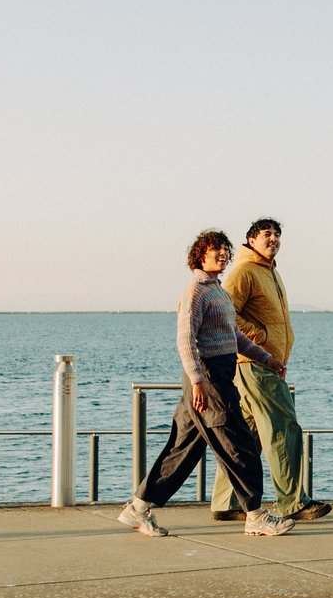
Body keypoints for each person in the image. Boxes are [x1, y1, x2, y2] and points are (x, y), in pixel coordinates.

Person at [119, 230, 292, 538]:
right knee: (240, 446)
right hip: (208, 379)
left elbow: (233, 337)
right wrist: (198, 382)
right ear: (201, 255)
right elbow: (185, 340)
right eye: (217, 251)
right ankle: (255, 515)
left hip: (217, 374)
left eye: (226, 250)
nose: (223, 254)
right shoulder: (196, 291)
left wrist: (266, 358)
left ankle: (138, 506)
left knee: (181, 449)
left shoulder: (218, 291)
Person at [211, 219, 331, 523]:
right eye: (267, 234)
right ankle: (294, 502)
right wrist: (259, 337)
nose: (274, 239)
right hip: (256, 364)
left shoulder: (269, 271)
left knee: (246, 438)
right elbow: (225, 314)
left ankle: (227, 502)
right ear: (252, 239)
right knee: (284, 429)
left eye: (277, 234)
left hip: (259, 364)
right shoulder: (245, 271)